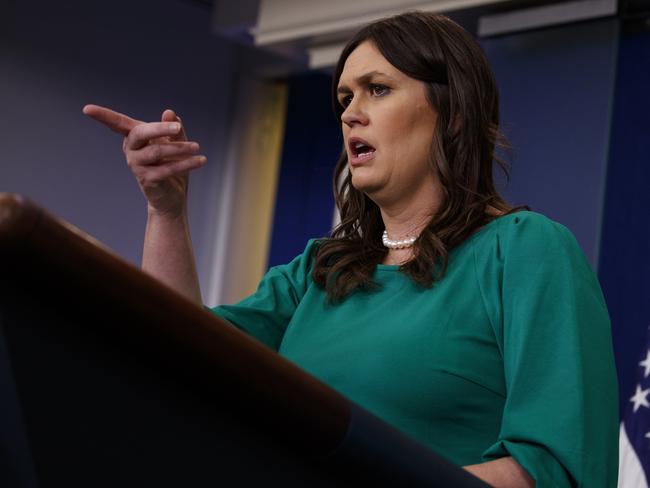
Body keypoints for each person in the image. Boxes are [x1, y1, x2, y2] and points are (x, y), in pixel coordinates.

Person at [83, 11, 619, 487]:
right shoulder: (317, 273)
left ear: (453, 112)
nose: (349, 113)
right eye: (345, 97)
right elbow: (177, 359)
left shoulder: (524, 251)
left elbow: (552, 468)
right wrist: (167, 210)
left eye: (377, 90)